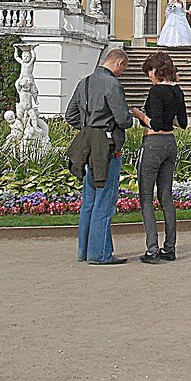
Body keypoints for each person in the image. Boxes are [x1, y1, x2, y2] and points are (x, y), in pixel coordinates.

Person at [65, 48, 135, 265]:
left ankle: (84, 250)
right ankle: (100, 253)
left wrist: (88, 127)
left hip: (87, 143)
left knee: (89, 199)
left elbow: (70, 115)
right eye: (124, 68)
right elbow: (123, 119)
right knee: (105, 199)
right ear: (119, 63)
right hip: (106, 144)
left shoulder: (84, 82)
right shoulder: (112, 84)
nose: (123, 72)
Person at [131, 51, 187, 264]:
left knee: (146, 196)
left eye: (149, 73)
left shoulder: (155, 92)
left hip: (153, 143)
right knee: (166, 197)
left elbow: (154, 123)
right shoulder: (177, 91)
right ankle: (169, 248)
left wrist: (139, 115)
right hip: (170, 144)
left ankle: (152, 249)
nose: (149, 77)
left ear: (155, 71)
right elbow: (182, 123)